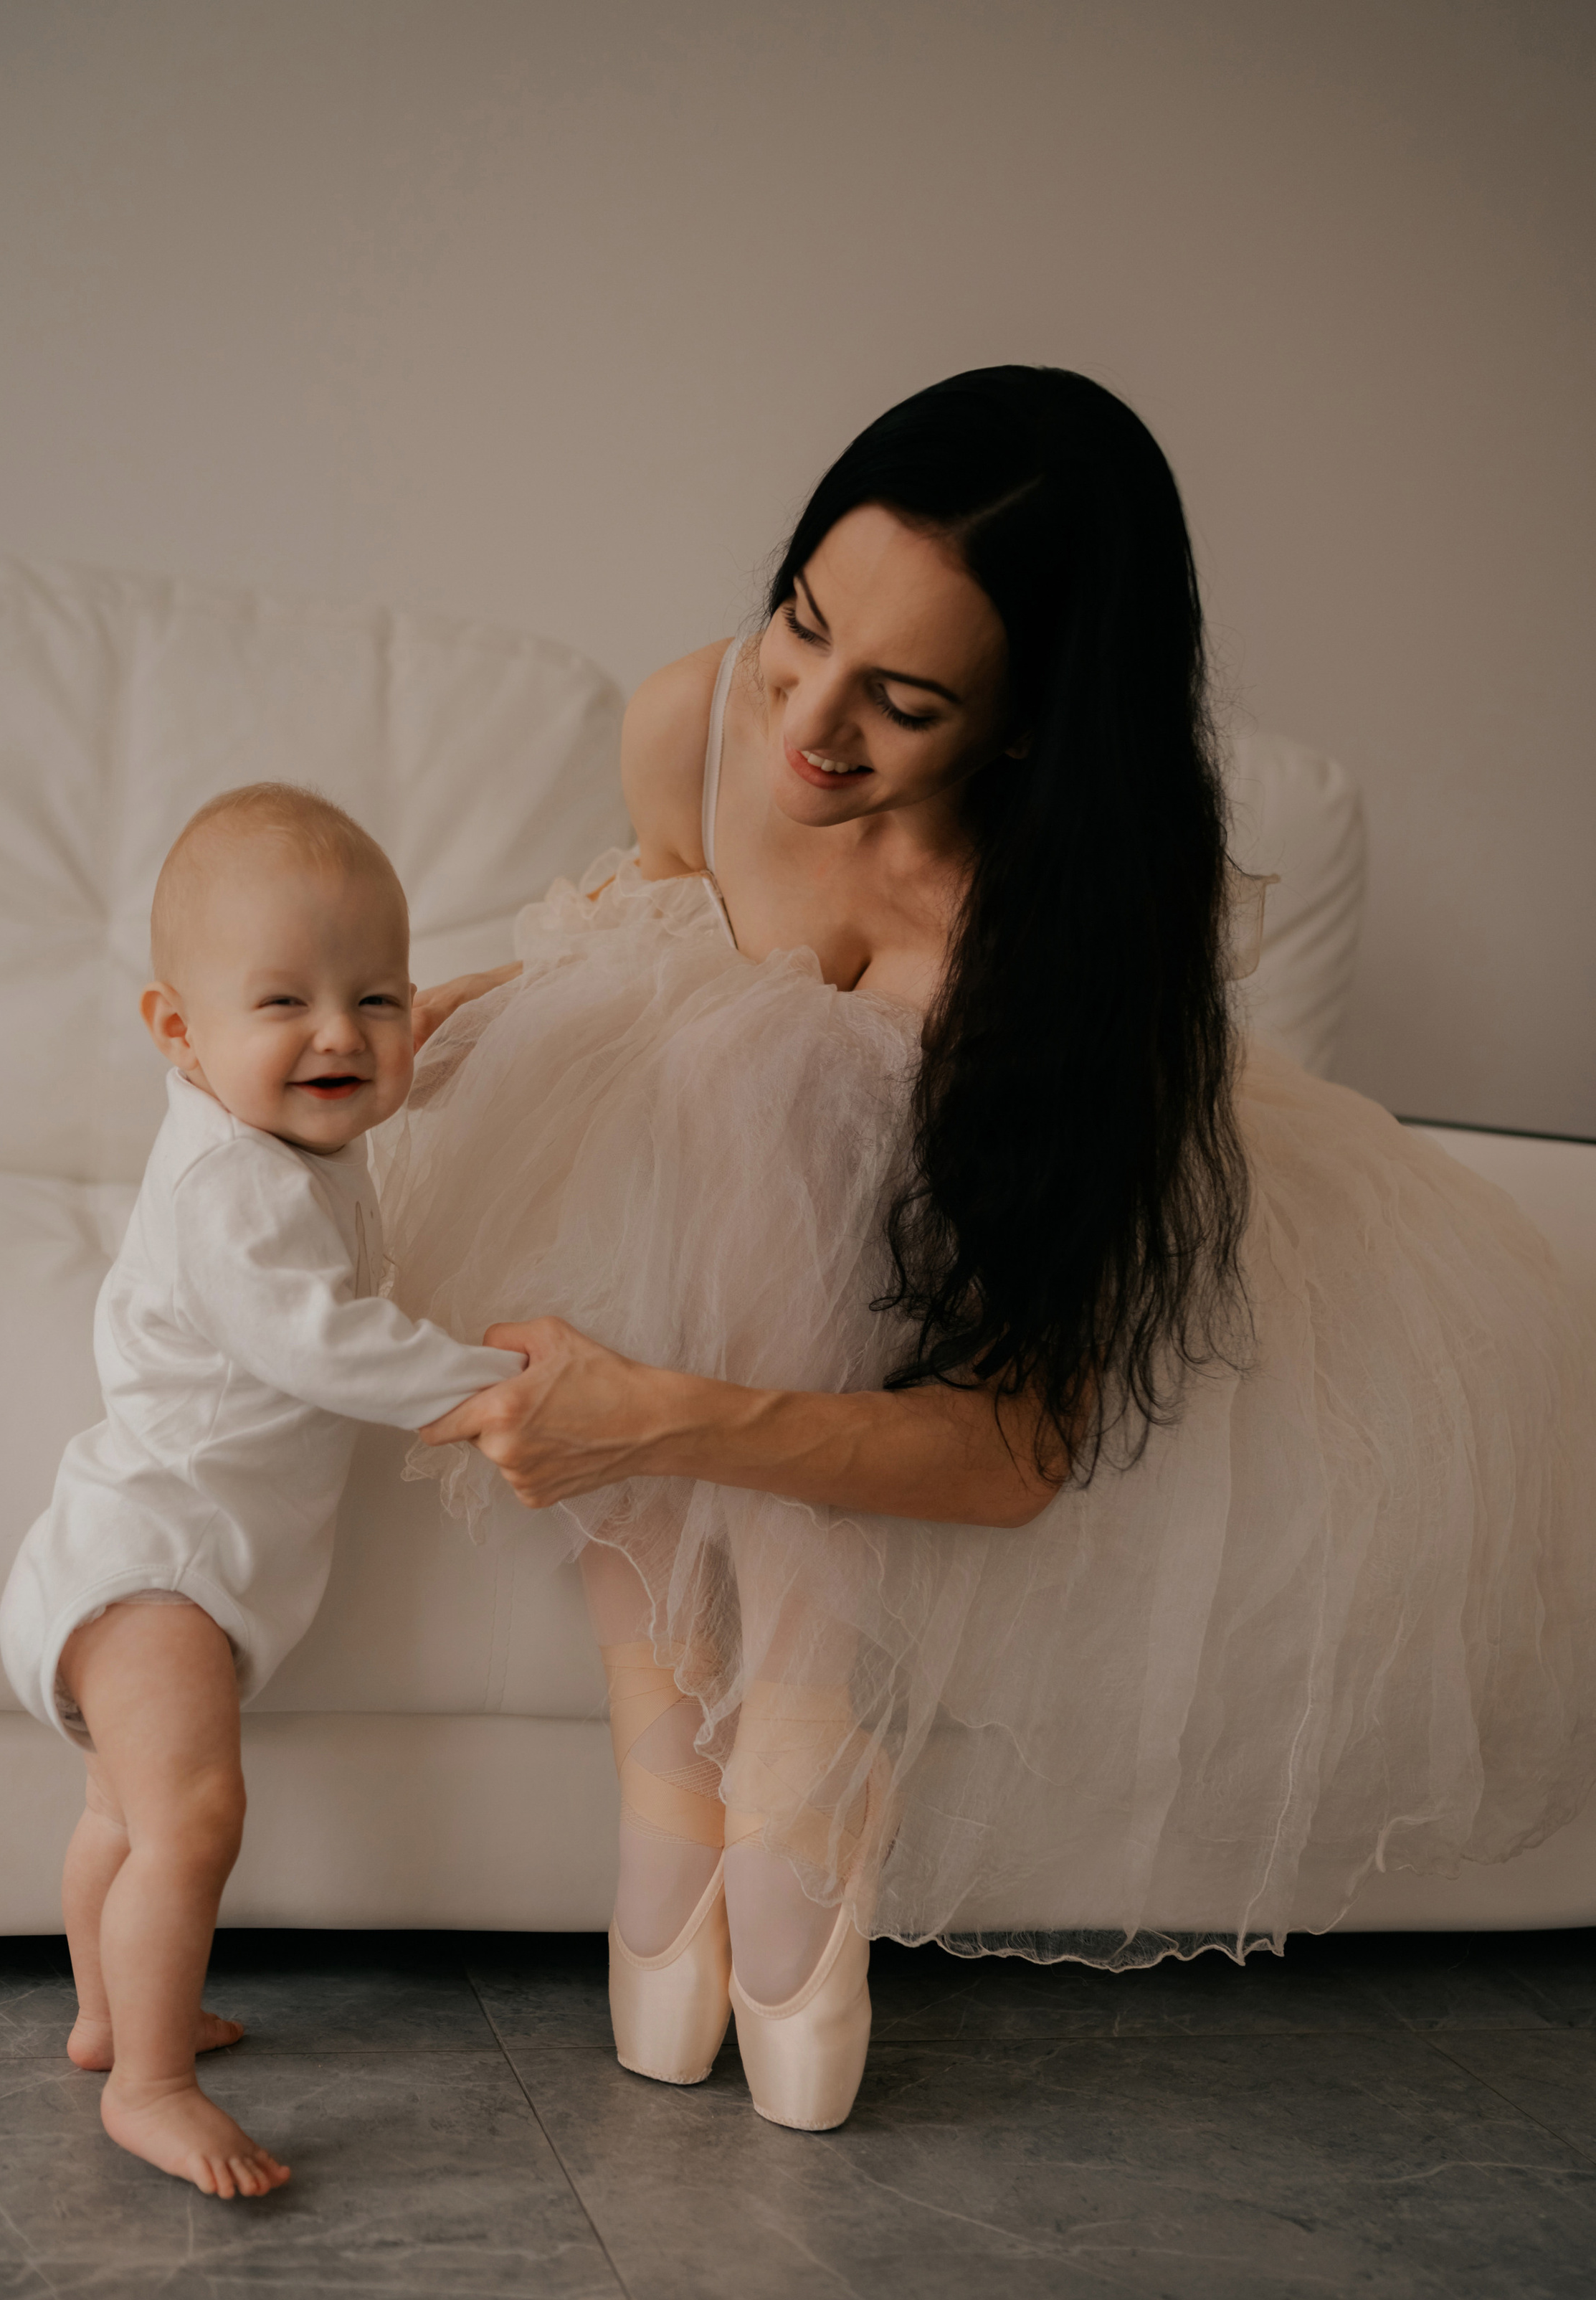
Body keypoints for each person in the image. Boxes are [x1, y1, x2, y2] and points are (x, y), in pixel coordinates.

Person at [388, 366, 1596, 2134]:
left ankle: (798, 1749)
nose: (802, 723)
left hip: (938, 1274)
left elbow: (1018, 1444)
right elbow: (641, 948)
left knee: (767, 1102)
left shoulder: (1065, 946)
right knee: (704, 1080)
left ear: (1025, 725)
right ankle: (666, 1756)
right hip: (705, 1190)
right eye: (797, 628)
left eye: (901, 701)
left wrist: (654, 1413)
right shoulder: (695, 719)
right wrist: (434, 1015)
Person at [0, 786, 523, 2196]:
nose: (340, 1035)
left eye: (377, 998)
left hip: (142, 1549)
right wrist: (483, 1387)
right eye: (283, 1001)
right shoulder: (235, 1187)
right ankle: (149, 2086)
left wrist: (482, 1005)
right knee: (193, 1818)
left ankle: (111, 2014)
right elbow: (321, 1337)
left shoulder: (288, 1128)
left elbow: (398, 1035)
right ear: (177, 1030)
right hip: (151, 1564)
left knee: (121, 1814)